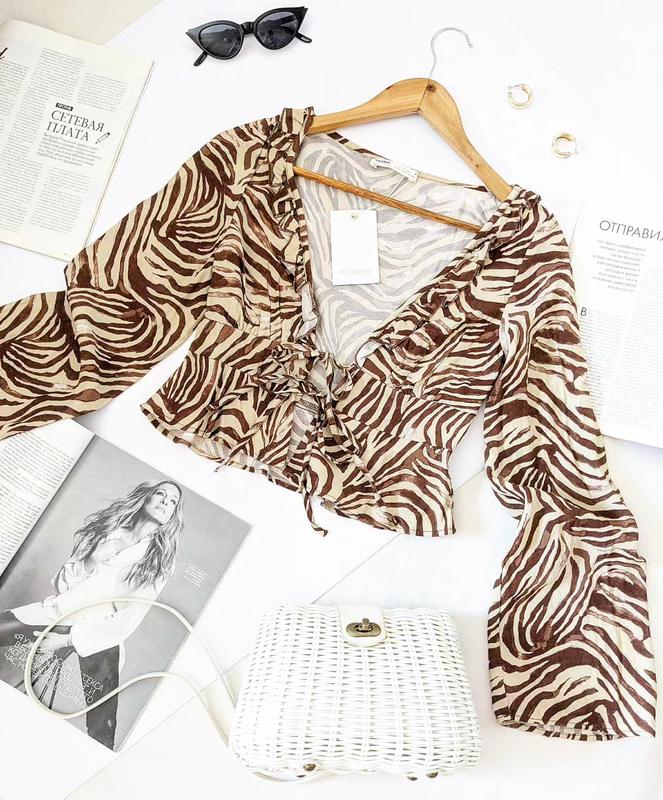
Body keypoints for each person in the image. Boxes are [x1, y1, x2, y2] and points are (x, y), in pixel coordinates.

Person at [0, 479, 183, 748]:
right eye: (160, 494)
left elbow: (128, 620)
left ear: (172, 515)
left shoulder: (160, 560)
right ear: (146, 497)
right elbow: (62, 584)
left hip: (99, 635)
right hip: (59, 613)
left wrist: (66, 640)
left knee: (102, 730)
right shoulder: (107, 529)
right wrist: (92, 560)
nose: (165, 502)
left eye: (172, 501)